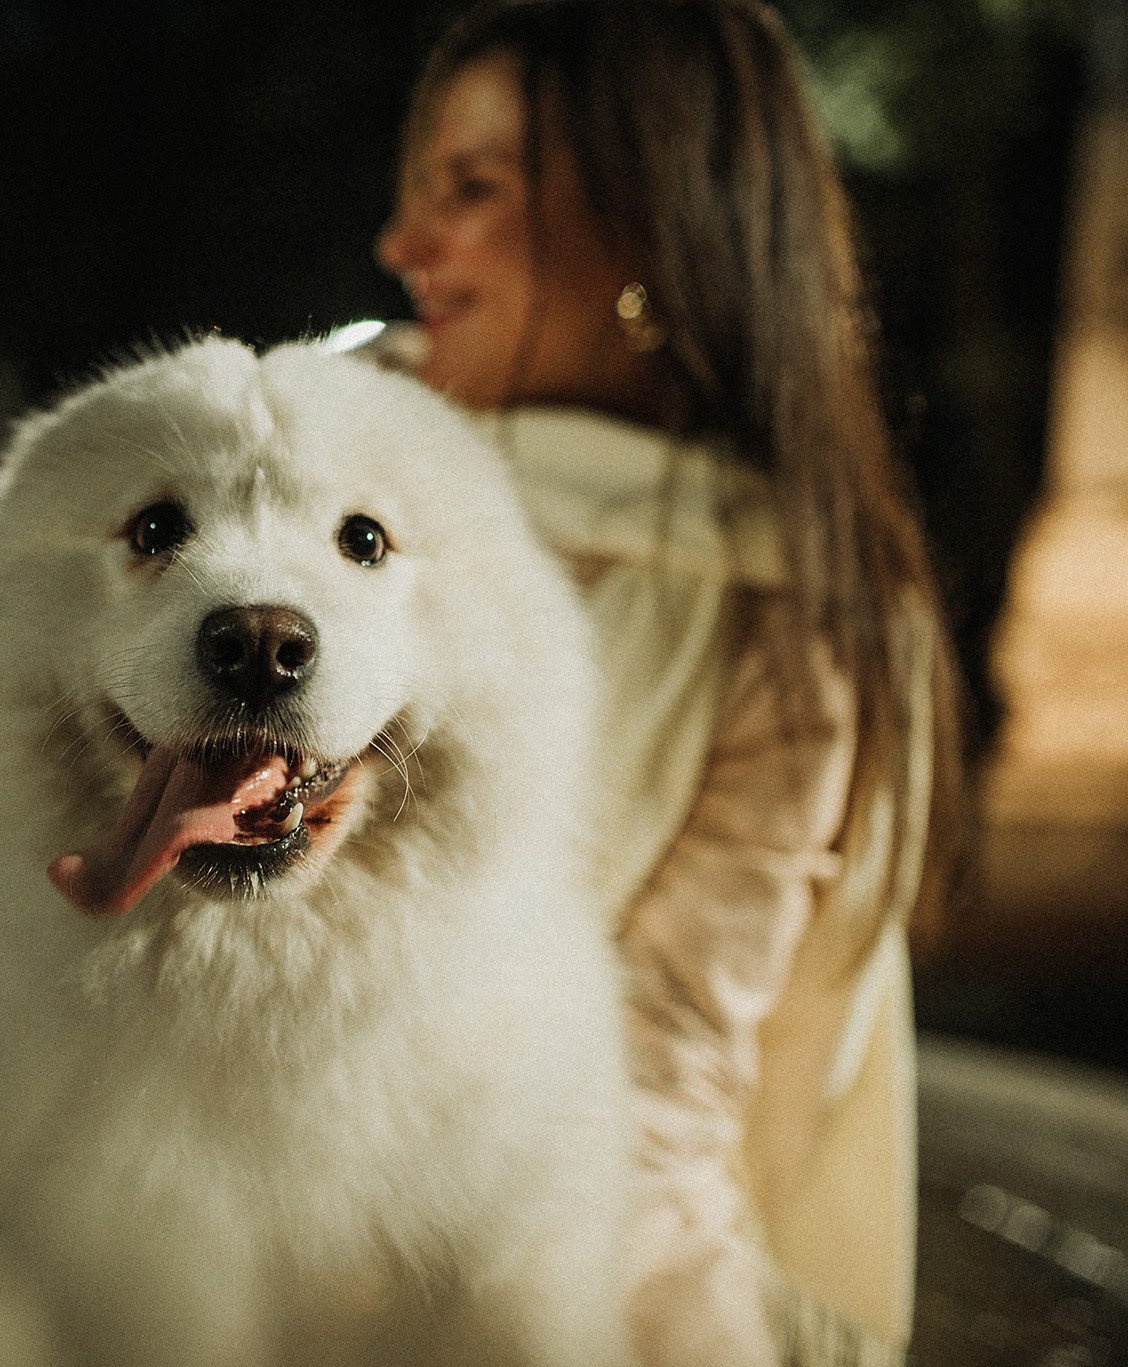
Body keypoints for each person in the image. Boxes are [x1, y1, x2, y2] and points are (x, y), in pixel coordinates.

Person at [373, 3, 960, 1364]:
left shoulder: (787, 612)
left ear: (655, 226)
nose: (404, 248)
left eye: (472, 190)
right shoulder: (341, 477)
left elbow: (654, 1082)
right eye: (416, 192)